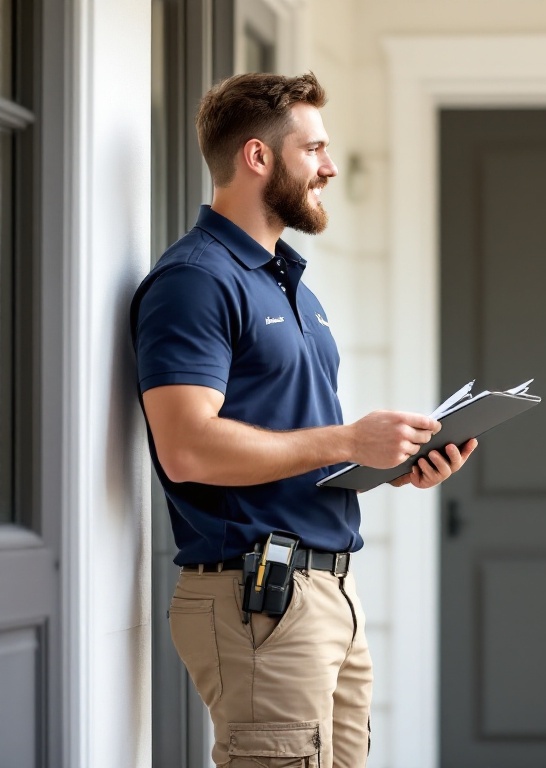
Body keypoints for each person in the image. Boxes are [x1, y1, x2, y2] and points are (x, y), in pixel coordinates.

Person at [131, 71, 476, 768]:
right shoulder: (196, 281)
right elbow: (187, 449)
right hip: (260, 600)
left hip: (325, 594)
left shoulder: (289, 284)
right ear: (258, 157)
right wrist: (351, 438)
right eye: (313, 149)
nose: (330, 165)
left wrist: (387, 464)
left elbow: (290, 441)